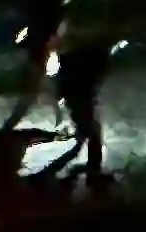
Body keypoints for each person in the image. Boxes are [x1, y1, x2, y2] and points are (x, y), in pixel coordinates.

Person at [48, 20, 119, 190]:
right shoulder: (89, 56)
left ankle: (76, 172)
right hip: (80, 99)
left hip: (78, 98)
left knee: (86, 135)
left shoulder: (76, 55)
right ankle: (91, 175)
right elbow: (92, 77)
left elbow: (64, 76)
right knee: (91, 135)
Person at [6, 0, 80, 132]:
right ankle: (10, 126)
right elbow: (53, 34)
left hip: (43, 51)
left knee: (44, 89)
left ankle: (60, 120)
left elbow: (40, 31)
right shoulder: (57, 10)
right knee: (35, 90)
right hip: (43, 52)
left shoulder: (54, 9)